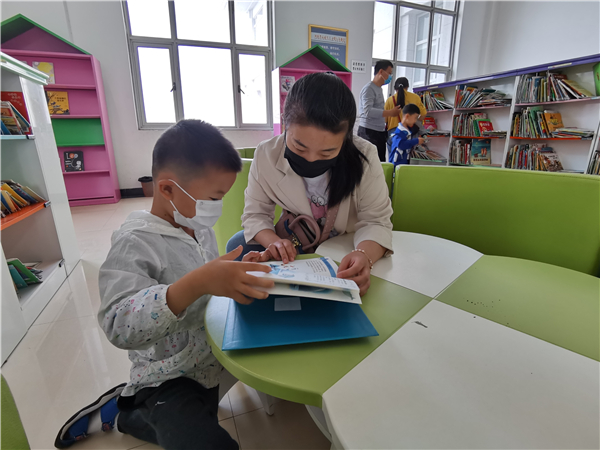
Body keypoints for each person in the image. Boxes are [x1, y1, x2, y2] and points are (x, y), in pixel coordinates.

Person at [54, 120, 275, 450]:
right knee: (202, 439)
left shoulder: (198, 228)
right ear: (168, 189)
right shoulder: (134, 243)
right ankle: (130, 410)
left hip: (212, 356)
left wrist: (235, 270)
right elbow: (118, 323)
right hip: (169, 377)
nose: (217, 208)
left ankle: (142, 411)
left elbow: (205, 275)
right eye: (213, 198)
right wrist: (197, 283)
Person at [226, 72, 394, 296]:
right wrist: (275, 243)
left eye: (327, 152)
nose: (312, 159)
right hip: (296, 242)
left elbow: (376, 220)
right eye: (299, 147)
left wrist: (364, 255)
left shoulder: (365, 156)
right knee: (237, 246)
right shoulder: (266, 154)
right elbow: (255, 214)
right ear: (284, 122)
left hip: (346, 246)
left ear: (346, 139)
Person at [357, 60, 401, 162]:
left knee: (379, 163)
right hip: (369, 132)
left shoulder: (379, 89)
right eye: (389, 73)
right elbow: (368, 111)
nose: (390, 77)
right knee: (369, 163)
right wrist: (390, 112)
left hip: (378, 131)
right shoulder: (369, 89)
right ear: (381, 71)